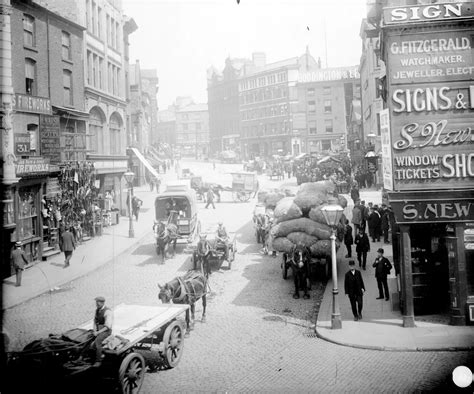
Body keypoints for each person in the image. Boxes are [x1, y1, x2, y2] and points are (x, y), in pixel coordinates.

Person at [91, 296, 113, 367]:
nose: (97, 303)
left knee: (98, 341)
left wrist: (97, 333)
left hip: (106, 331)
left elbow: (107, 326)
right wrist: (94, 331)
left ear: (103, 303)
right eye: (96, 302)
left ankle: (98, 360)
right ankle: (81, 356)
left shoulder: (108, 311)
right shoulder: (97, 310)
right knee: (88, 337)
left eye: (99, 302)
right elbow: (95, 321)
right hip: (98, 330)